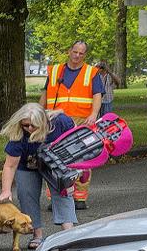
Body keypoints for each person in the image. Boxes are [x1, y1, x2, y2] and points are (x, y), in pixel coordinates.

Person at [0, 103, 77, 250]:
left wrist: (73, 172)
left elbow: (76, 141)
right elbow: (10, 165)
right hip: (28, 165)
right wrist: (6, 190)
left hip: (57, 163)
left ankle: (69, 234)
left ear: (43, 121)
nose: (30, 129)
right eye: (26, 125)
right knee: (26, 194)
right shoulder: (18, 135)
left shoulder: (61, 122)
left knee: (63, 193)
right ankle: (37, 235)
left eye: (34, 125)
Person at [40, 40, 105, 209]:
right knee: (53, 157)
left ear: (85, 55)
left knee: (82, 157)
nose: (77, 56)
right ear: (69, 51)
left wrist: (94, 114)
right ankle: (55, 197)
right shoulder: (55, 71)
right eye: (75, 52)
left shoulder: (91, 72)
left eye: (81, 53)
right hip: (55, 119)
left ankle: (79, 197)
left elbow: (97, 95)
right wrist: (39, 113)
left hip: (82, 120)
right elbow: (45, 94)